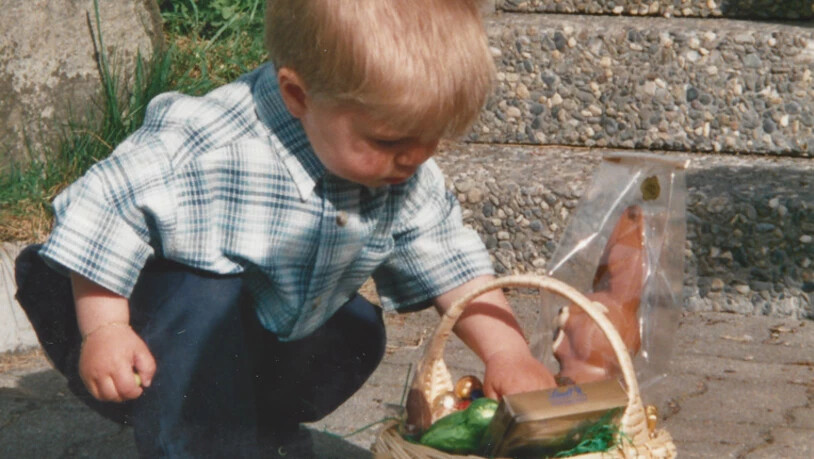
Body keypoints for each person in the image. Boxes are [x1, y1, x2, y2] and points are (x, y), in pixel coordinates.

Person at [15, 0, 556, 457]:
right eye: (391, 142)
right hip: (120, 309)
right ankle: (199, 442)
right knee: (203, 303)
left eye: (433, 138)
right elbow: (104, 206)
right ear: (298, 96)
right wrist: (104, 328)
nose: (414, 158)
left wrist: (507, 353)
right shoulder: (212, 145)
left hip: (263, 320)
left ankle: (254, 429)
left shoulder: (399, 166)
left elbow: (449, 257)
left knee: (357, 331)